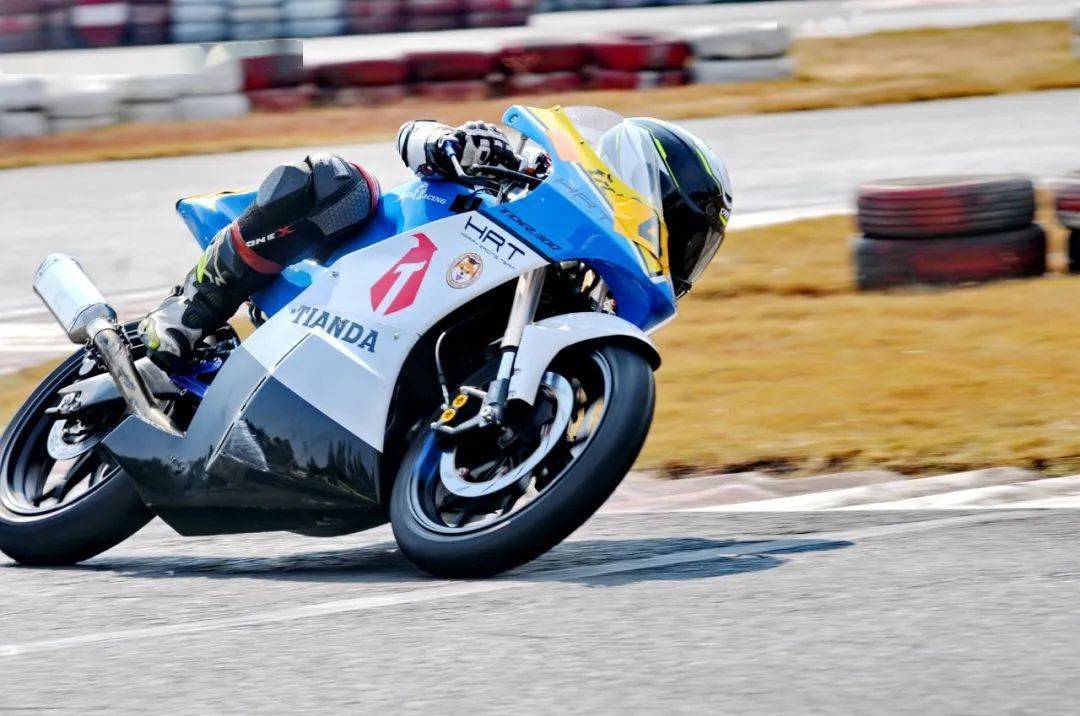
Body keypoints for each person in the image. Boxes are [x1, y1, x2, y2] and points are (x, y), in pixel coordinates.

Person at [139, 115, 732, 371]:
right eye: (685, 233)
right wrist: (453, 145)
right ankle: (190, 309)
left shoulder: (585, 318)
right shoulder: (536, 173)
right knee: (339, 182)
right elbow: (413, 137)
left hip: (389, 358)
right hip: (349, 275)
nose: (684, 253)